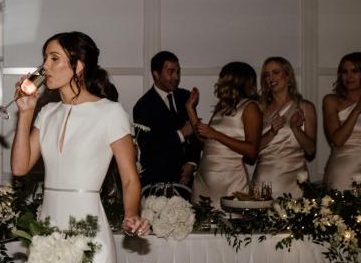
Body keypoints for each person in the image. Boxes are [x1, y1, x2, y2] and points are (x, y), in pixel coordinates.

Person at [10, 31, 146, 263]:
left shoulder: (109, 112)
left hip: (89, 230)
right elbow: (21, 167)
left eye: (54, 59)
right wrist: (25, 115)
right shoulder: (49, 111)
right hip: (49, 227)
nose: (45, 67)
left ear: (79, 66)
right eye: (45, 58)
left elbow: (130, 177)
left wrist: (132, 214)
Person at [187, 61, 262, 204]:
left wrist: (215, 134)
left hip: (230, 182)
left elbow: (252, 151)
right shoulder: (221, 108)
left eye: (222, 78)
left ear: (234, 80)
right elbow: (204, 140)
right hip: (204, 180)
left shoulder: (250, 107)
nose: (219, 82)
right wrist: (190, 109)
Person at [132, 51, 201, 190]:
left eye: (178, 72)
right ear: (156, 74)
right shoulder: (142, 106)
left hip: (187, 181)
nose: (176, 77)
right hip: (158, 181)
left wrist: (191, 163)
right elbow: (149, 146)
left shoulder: (185, 97)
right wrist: (181, 134)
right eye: (171, 72)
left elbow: (197, 135)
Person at [252, 57, 316, 197]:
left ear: (288, 76)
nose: (271, 78)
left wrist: (296, 129)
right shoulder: (259, 109)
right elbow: (251, 150)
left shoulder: (305, 107)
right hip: (266, 180)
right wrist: (271, 132)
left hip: (297, 181)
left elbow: (311, 150)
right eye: (267, 75)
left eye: (276, 72)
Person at [322, 52, 361, 190]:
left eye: (354, 71)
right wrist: (356, 110)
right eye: (344, 72)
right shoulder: (331, 101)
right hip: (343, 170)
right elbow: (337, 140)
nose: (348, 76)